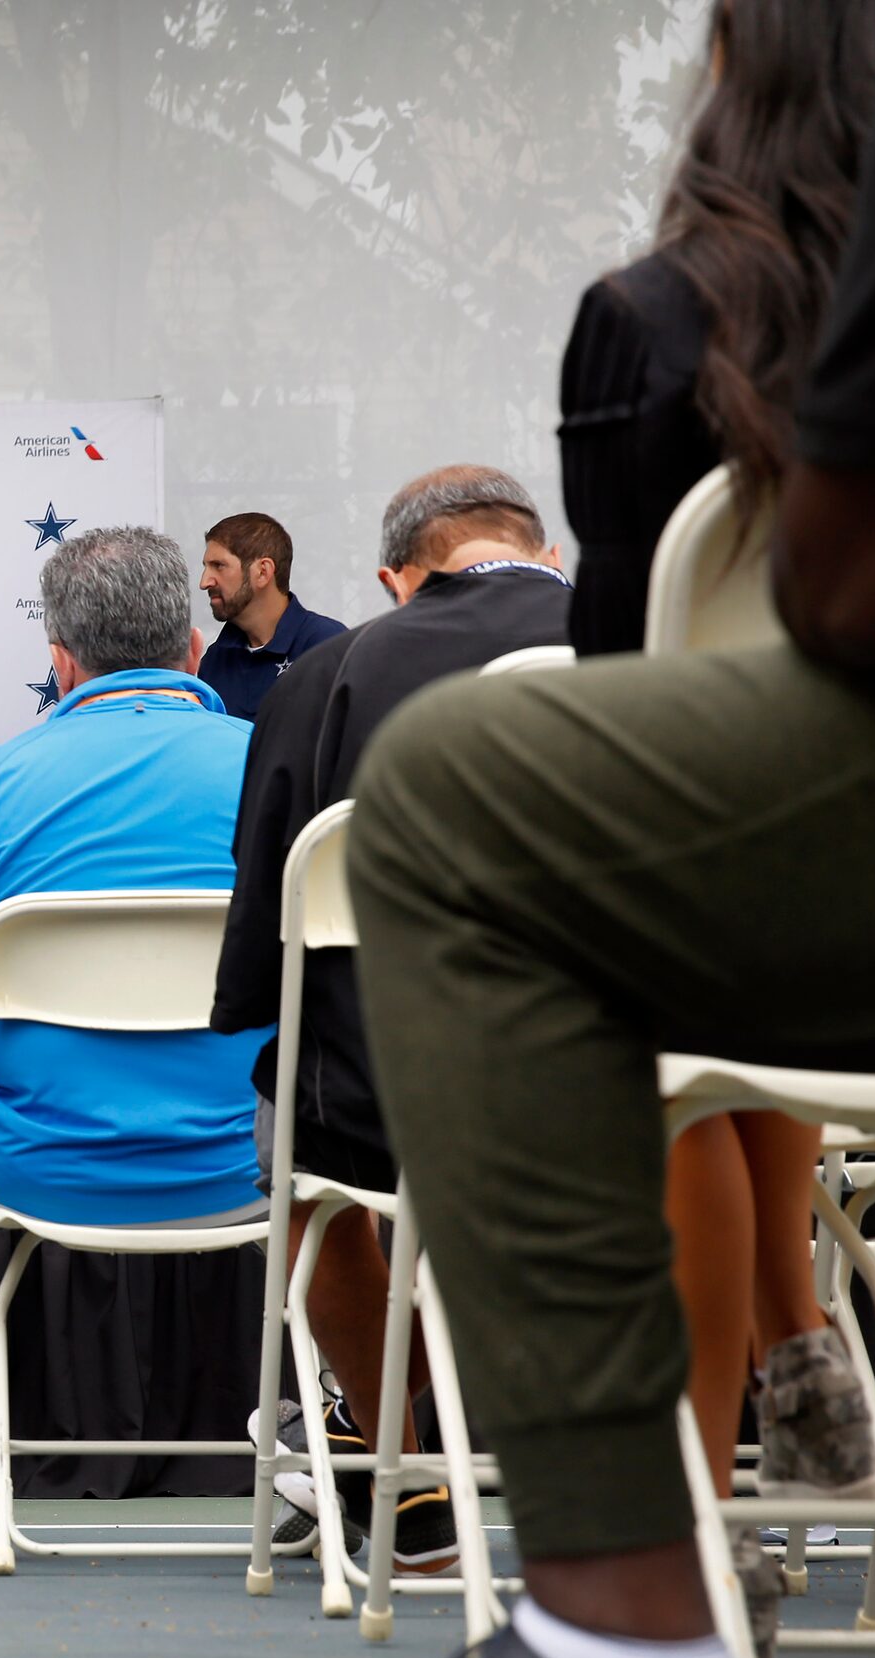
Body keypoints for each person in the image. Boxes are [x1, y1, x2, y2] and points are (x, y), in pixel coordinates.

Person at [217, 0, 875, 1658]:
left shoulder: (665, 321)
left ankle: (630, 1621)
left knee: (480, 821)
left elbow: (828, 597)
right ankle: (802, 1334)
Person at [555, 0, 875, 1645]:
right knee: (766, 896)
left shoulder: (649, 322)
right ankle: (798, 1323)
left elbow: (634, 681)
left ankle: (687, 1548)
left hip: (723, 897)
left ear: (721, 85)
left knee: (622, 923)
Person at [0, 527, 263, 1558]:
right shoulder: (282, 770)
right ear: (188, 647)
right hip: (253, 1167)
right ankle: (323, 1419)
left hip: (29, 1167)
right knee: (346, 1109)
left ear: (60, 660)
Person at [211, 466, 574, 1582]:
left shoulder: (326, 675)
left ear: (396, 581)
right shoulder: (651, 644)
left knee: (303, 1149)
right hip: (624, 1088)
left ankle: (402, 1470)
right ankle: (686, 1492)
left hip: (396, 1097)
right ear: (541, 553)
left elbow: (269, 926)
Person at [193, 512, 348, 721]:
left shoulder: (326, 646)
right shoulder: (216, 660)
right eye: (206, 567)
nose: (205, 582)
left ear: (263, 572)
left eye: (219, 566)